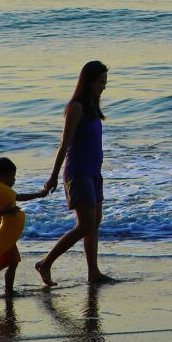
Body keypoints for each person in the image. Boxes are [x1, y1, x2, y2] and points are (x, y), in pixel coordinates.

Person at [34, 60, 115, 286]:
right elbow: (64, 145)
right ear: (88, 81)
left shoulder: (92, 108)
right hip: (78, 173)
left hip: (93, 172)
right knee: (85, 225)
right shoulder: (76, 108)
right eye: (100, 82)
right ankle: (46, 263)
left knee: (94, 223)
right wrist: (53, 177)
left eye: (105, 83)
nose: (103, 87)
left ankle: (93, 273)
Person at [0, 157, 49, 296]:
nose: (14, 180)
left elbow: (20, 197)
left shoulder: (6, 192)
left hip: (6, 234)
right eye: (12, 177)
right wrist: (6, 211)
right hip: (1, 235)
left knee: (7, 262)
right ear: (2, 179)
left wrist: (39, 194)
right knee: (12, 262)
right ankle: (5, 288)